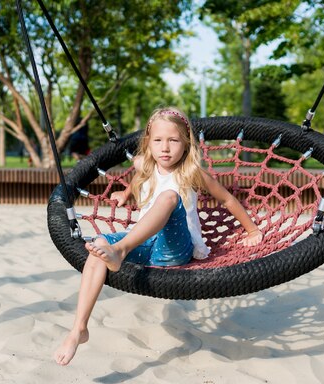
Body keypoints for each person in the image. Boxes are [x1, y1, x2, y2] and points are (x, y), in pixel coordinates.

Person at [54, 106, 263, 366]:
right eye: (158, 140)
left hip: (175, 250)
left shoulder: (191, 172)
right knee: (97, 246)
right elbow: (138, 175)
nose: (165, 148)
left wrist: (252, 230)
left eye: (173, 140)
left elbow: (228, 199)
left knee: (169, 197)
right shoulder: (145, 166)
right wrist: (126, 193)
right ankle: (79, 329)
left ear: (186, 144)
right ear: (148, 143)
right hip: (144, 243)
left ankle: (120, 250)